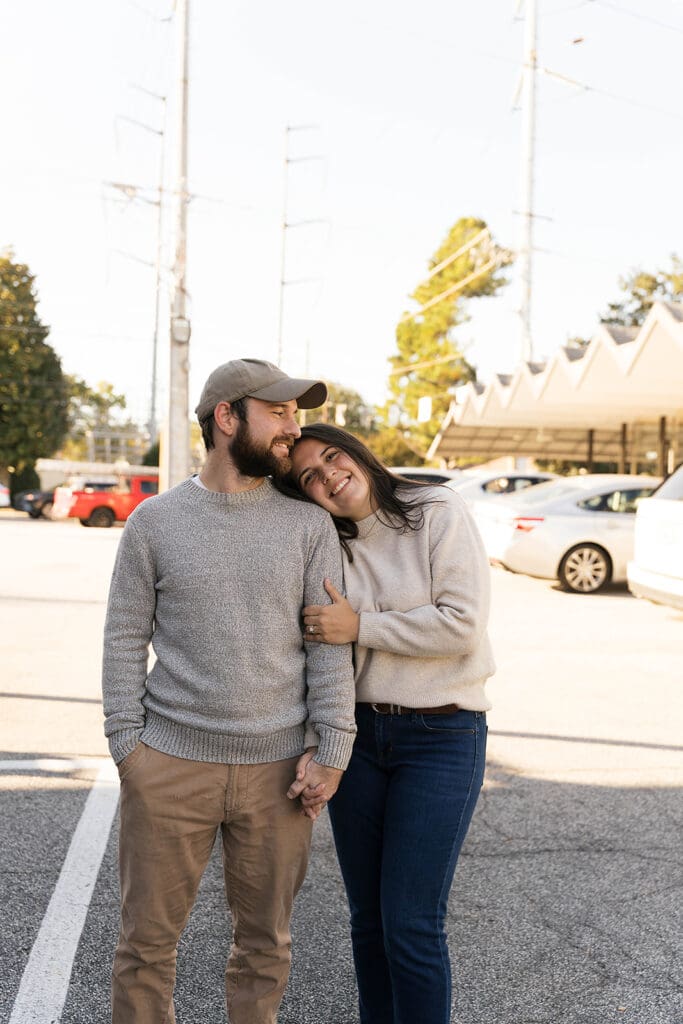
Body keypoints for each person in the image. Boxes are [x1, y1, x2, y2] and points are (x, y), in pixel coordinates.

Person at [102, 359, 356, 1024]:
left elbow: (327, 643)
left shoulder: (307, 526)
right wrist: (129, 748)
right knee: (145, 950)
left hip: (279, 775)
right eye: (277, 412)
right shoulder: (153, 523)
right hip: (169, 766)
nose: (291, 428)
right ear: (225, 417)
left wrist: (332, 748)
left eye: (293, 413)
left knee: (264, 948)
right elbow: (124, 639)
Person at [285, 423, 496, 1024]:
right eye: (310, 477)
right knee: (368, 921)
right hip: (358, 737)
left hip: (442, 737)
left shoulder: (436, 510)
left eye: (332, 456)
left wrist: (362, 626)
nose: (329, 475)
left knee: (411, 923)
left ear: (356, 451)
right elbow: (318, 649)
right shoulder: (328, 541)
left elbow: (460, 624)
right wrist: (317, 741)